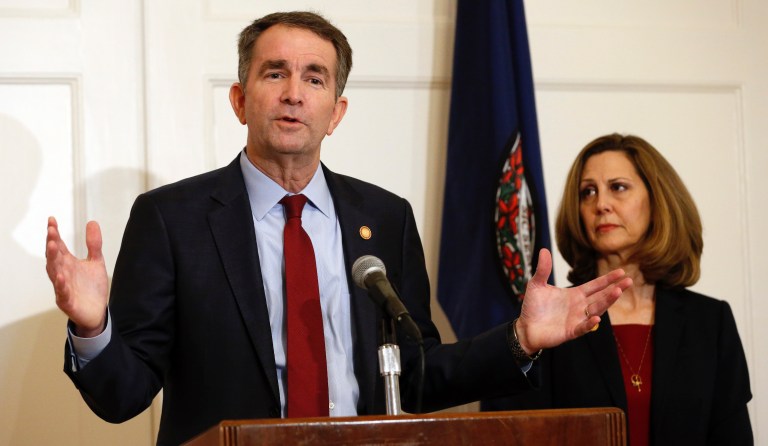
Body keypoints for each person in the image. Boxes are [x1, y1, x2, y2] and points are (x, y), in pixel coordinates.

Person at [45, 12, 631, 446]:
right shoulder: (173, 219)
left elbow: (415, 375)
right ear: (240, 100)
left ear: (337, 111)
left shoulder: (386, 218)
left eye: (315, 78)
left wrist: (520, 339)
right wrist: (93, 327)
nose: (293, 94)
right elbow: (124, 396)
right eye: (275, 73)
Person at [507, 133, 752, 445]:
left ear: (657, 200)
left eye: (618, 187)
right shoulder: (551, 321)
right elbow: (512, 431)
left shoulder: (711, 322)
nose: (601, 204)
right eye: (588, 192)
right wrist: (520, 346)